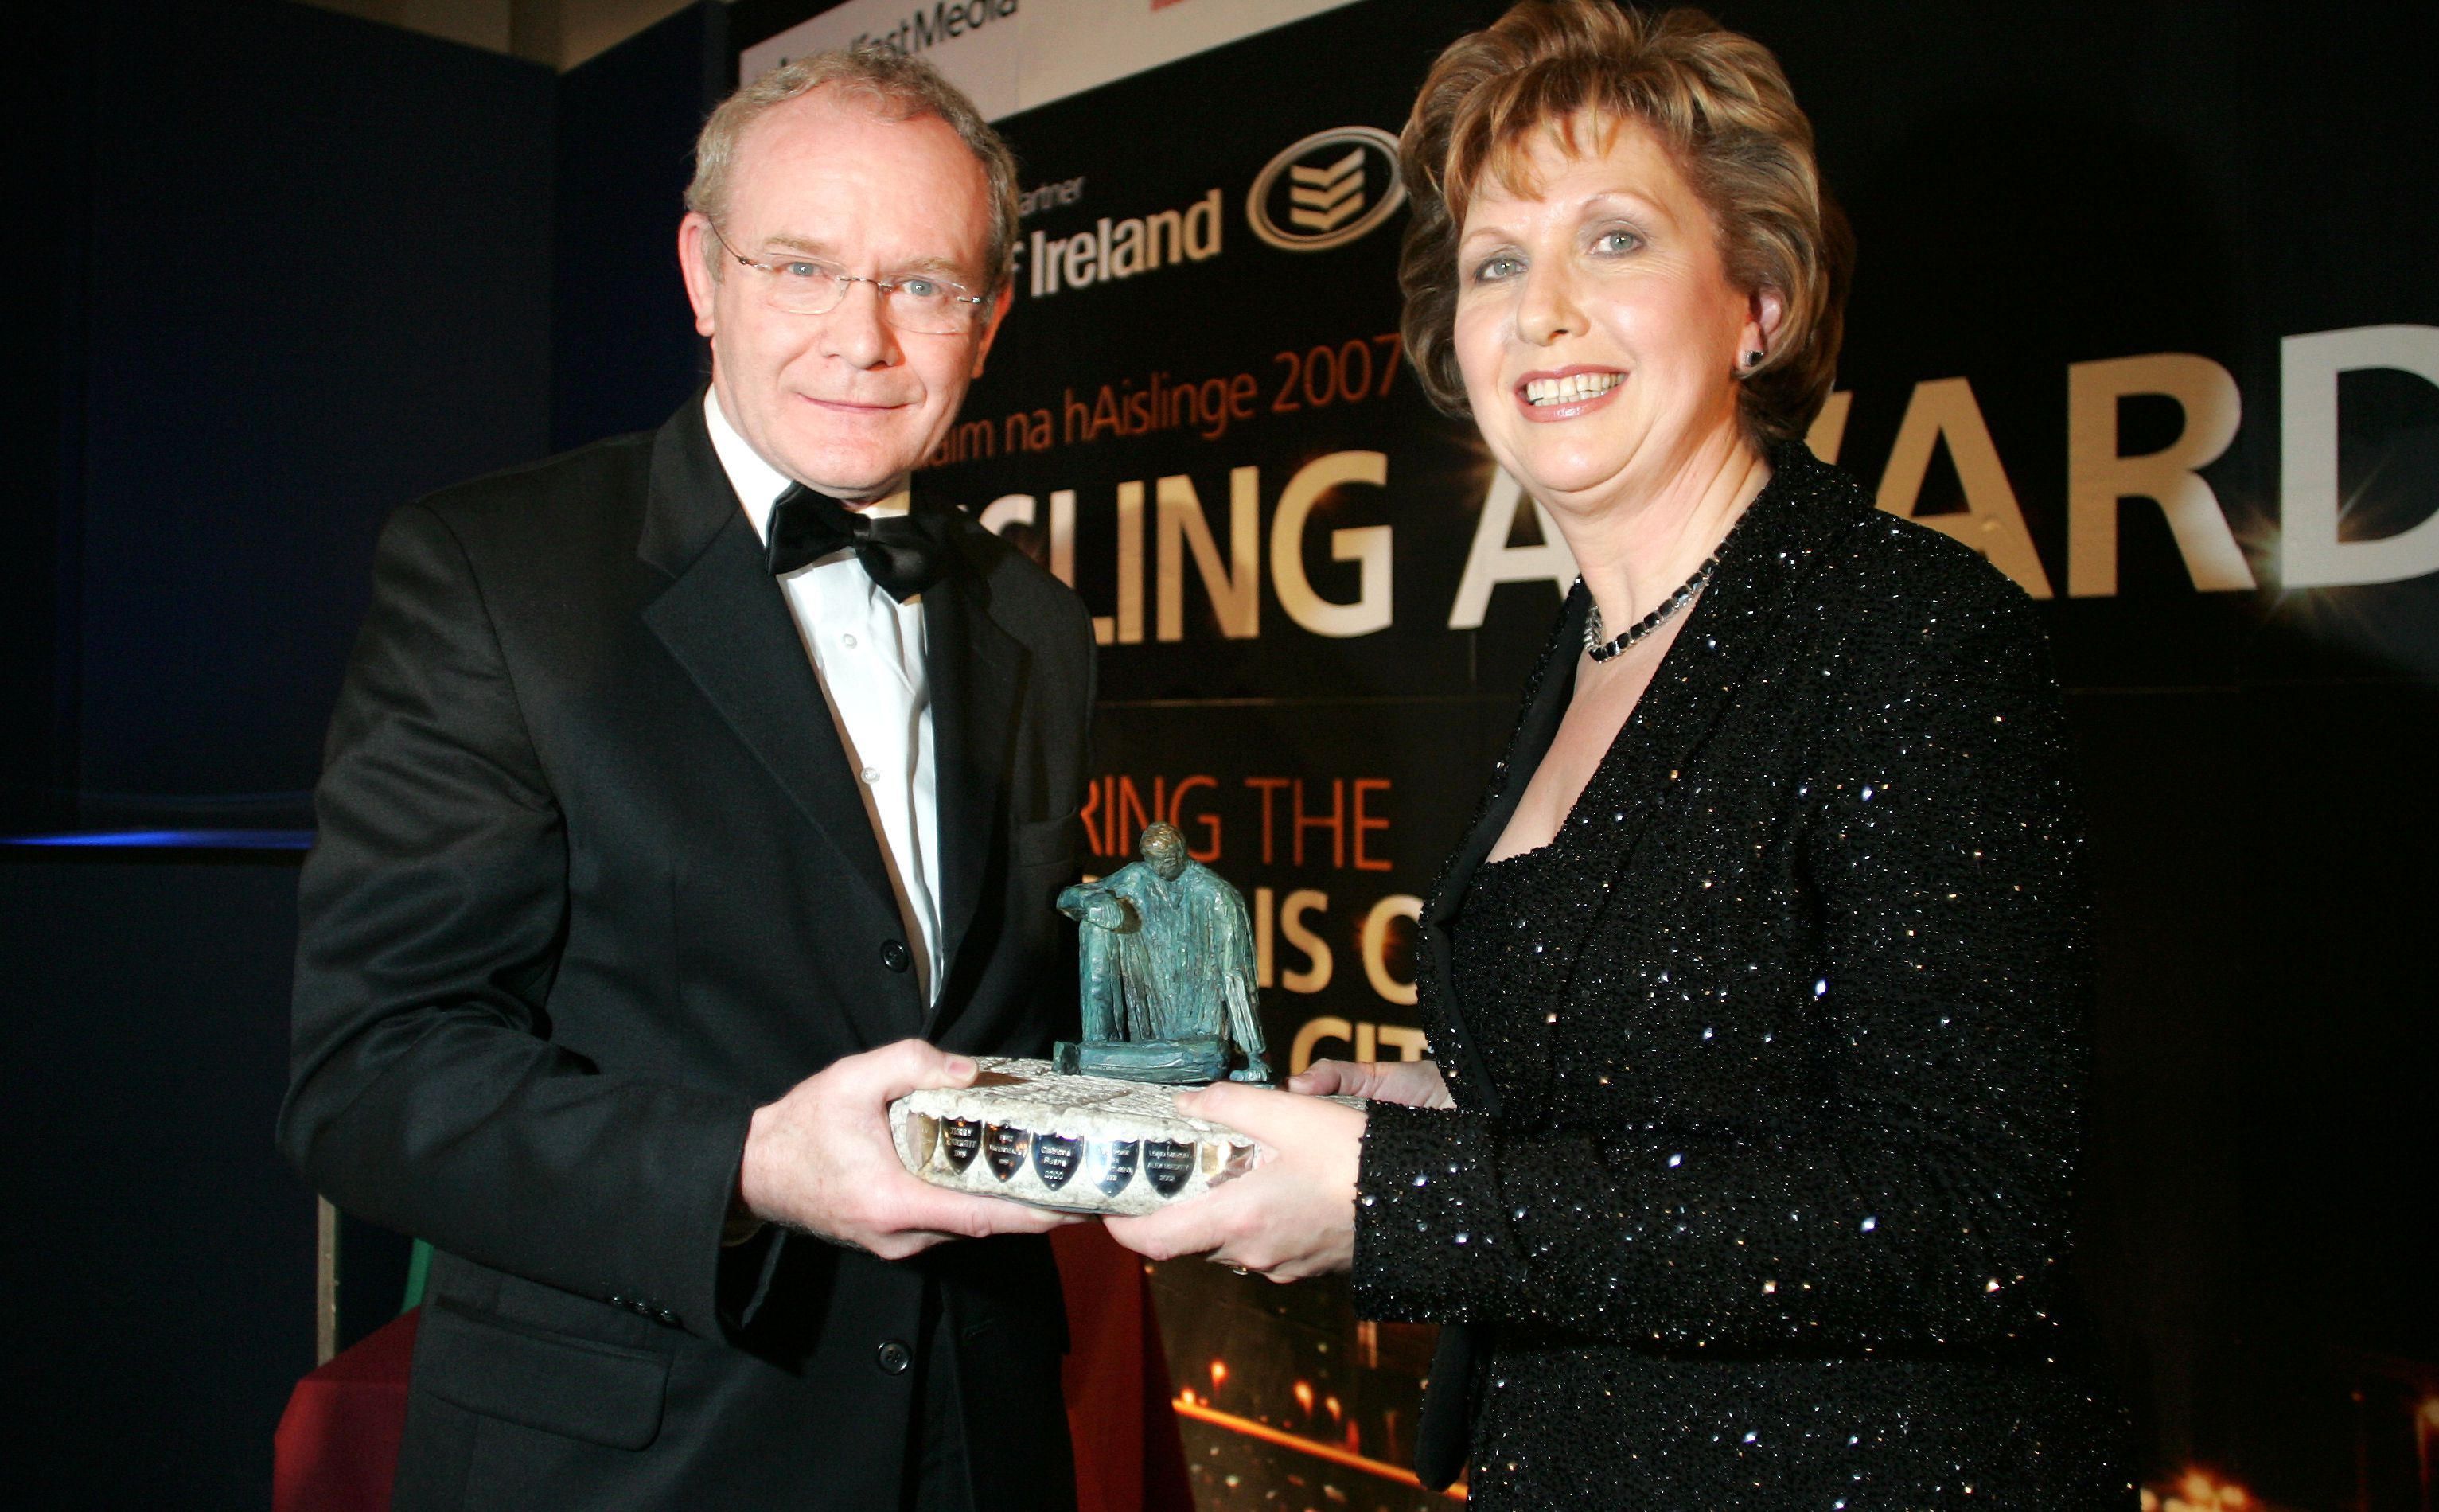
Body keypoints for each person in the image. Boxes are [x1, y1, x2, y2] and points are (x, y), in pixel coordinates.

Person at [1103, 4, 2133, 1506]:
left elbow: (1966, 1218)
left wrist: (1397, 1199)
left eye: (1615, 240)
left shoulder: (1909, 635)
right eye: (1497, 263)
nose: (1543, 311)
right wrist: (1441, 1115)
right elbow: (1712, 1083)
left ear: (1757, 302)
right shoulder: (1591, 642)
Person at [279, 45, 1093, 1512]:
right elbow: (369, 1077)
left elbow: (1003, 1012)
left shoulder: (1037, 620)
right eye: (802, 267)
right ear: (702, 273)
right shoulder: (492, 573)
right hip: (632, 1463)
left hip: (979, 1451)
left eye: (923, 284)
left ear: (989, 322)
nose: (865, 341)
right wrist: (752, 1164)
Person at [1054, 821, 1270, 1084]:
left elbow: (1236, 976)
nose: (1157, 868)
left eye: (1164, 861)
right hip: (1145, 1028)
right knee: (1095, 924)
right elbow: (1067, 899)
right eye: (1151, 860)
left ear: (1180, 854)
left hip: (1197, 1039)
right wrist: (1093, 900)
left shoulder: (1217, 897)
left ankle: (1091, 1059)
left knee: (1209, 1059)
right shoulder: (1138, 878)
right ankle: (1101, 1049)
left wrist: (1253, 1054)